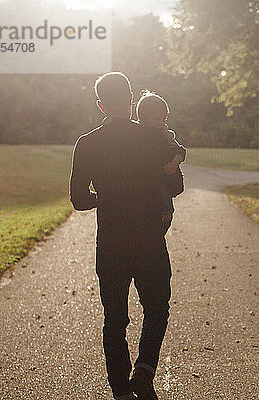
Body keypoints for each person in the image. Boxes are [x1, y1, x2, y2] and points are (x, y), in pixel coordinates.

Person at [69, 72, 183, 400]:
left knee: (115, 317)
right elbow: (175, 186)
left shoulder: (87, 143)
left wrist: (103, 198)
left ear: (101, 104)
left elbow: (78, 199)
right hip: (149, 240)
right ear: (132, 100)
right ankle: (145, 369)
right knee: (157, 307)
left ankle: (120, 388)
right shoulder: (152, 138)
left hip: (111, 243)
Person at [135, 91, 186, 234]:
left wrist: (174, 164)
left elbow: (180, 151)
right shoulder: (135, 132)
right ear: (142, 119)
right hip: (145, 181)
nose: (162, 123)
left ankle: (166, 213)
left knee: (163, 192)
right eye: (157, 119)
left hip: (163, 177)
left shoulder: (165, 134)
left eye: (164, 119)